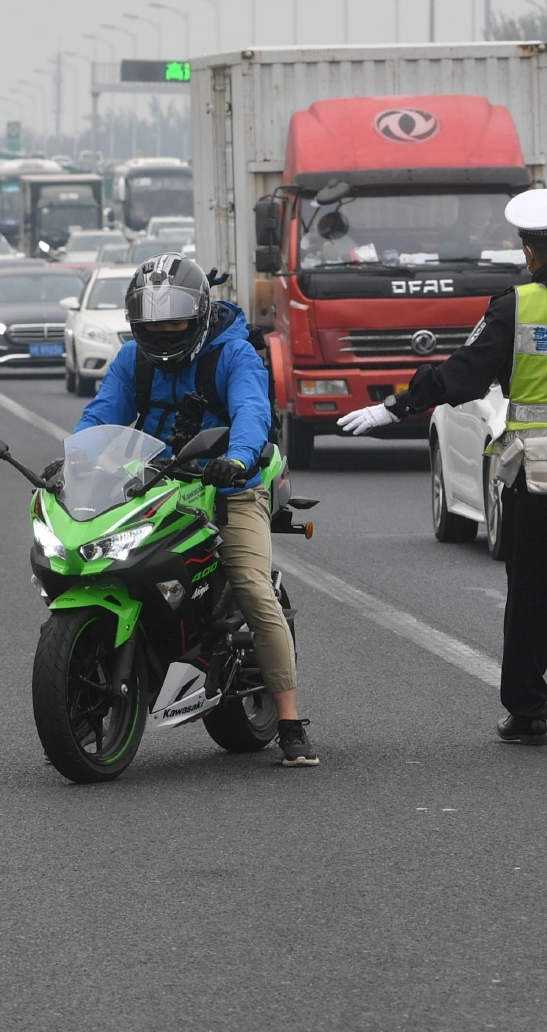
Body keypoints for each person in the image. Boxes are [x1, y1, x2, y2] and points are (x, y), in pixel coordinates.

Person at [336, 189, 547, 754]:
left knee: (530, 594)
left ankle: (529, 714)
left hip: (534, 479)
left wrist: (392, 407)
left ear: (528, 253)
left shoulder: (513, 308)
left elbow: (460, 377)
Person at [75, 254, 317, 767]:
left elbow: (253, 411)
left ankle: (291, 720)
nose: (164, 329)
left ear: (201, 312)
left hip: (230, 484)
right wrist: (75, 457)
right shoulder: (131, 360)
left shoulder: (234, 354)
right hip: (154, 480)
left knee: (251, 585)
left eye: (176, 318)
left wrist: (236, 459)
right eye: (152, 319)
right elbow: (102, 413)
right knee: (96, 557)